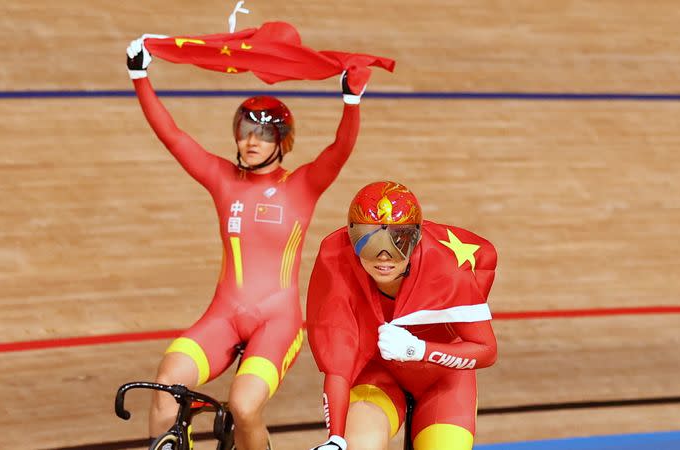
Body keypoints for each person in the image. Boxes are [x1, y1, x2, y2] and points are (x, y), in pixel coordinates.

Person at [125, 34, 368, 450]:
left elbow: (340, 149)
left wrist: (351, 102)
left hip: (278, 321)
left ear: (281, 143)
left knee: (244, 405)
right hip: (225, 315)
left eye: (262, 135)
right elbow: (173, 136)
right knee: (166, 384)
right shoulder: (222, 179)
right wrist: (140, 75)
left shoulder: (303, 185)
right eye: (244, 131)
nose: (250, 142)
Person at [307, 181, 498, 450]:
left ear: (417, 238)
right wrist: (336, 439)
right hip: (378, 372)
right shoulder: (335, 259)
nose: (383, 256)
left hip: (443, 378)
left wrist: (418, 349)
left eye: (399, 241)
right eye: (369, 241)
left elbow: (487, 350)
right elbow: (337, 366)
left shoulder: (446, 268)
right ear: (352, 239)